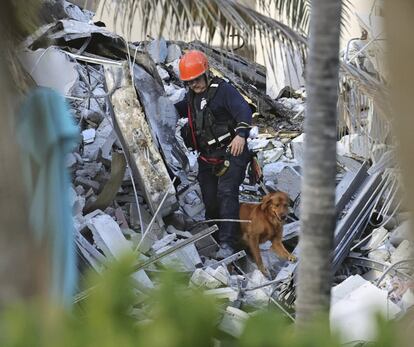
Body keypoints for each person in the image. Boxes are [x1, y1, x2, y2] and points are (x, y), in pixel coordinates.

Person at [174, 50, 252, 258]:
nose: (194, 85)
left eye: (197, 80)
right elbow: (182, 109)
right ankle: (214, 239)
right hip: (207, 156)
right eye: (189, 82)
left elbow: (244, 111)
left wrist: (241, 135)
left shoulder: (224, 91)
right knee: (210, 199)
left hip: (231, 151)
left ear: (206, 73)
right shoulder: (192, 96)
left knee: (227, 194)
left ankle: (228, 244)